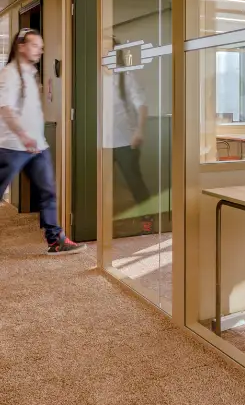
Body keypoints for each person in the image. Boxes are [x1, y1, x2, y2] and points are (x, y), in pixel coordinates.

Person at [0, 28, 85, 254]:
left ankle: (56, 239)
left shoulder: (31, 73)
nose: (40, 50)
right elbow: (5, 109)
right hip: (11, 147)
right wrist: (23, 135)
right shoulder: (8, 73)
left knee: (47, 191)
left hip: (37, 146)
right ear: (21, 46)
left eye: (41, 46)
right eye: (35, 45)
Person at [104, 39, 153, 235]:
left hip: (125, 140)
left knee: (134, 181)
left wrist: (139, 131)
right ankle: (104, 222)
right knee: (102, 184)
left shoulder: (126, 77)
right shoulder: (96, 77)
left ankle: (147, 219)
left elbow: (141, 105)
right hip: (102, 141)